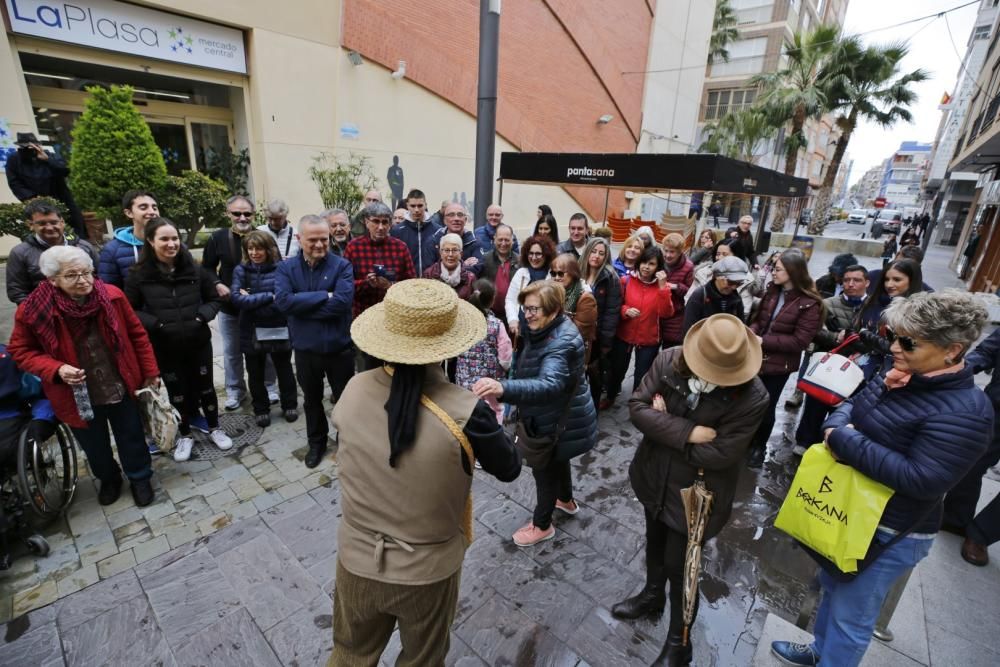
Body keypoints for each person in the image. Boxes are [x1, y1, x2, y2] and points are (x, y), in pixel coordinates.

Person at [772, 291, 994, 667]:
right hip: (849, 511)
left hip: (891, 529)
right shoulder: (899, 375)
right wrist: (842, 430)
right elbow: (845, 409)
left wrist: (846, 440)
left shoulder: (968, 411)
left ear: (952, 350)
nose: (894, 346)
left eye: (908, 341)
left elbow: (922, 478)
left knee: (851, 618)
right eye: (894, 334)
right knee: (830, 588)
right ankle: (818, 651)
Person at [330, 279, 520, 665]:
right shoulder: (468, 413)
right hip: (427, 572)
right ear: (448, 344)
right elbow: (509, 468)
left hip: (356, 559)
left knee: (349, 654)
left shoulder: (352, 389)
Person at [619, 314, 768, 664]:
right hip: (654, 475)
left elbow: (721, 453)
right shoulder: (670, 359)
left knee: (681, 565)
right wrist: (687, 431)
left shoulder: (753, 396)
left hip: (697, 494)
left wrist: (664, 424)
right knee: (654, 545)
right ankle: (651, 596)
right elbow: (638, 408)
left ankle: (679, 642)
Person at [9, 246, 161, 506]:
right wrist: (55, 368)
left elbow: (137, 335)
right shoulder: (33, 310)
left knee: (131, 434)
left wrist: (150, 372)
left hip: (118, 381)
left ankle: (139, 477)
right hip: (75, 391)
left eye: (87, 273)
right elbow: (20, 350)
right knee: (93, 444)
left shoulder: (111, 296)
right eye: (72, 275)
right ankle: (109, 478)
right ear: (52, 279)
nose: (83, 280)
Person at [473, 281, 597, 547]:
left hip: (555, 417)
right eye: (525, 308)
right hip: (559, 418)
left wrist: (502, 387)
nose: (527, 314)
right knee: (557, 457)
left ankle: (542, 525)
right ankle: (566, 500)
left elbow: (549, 383)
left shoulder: (561, 342)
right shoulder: (544, 327)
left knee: (544, 469)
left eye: (533, 309)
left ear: (553, 311)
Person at [124, 217, 232, 462]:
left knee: (206, 388)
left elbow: (214, 299)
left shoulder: (194, 269)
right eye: (164, 239)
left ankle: (215, 427)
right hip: (165, 346)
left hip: (198, 342)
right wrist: (157, 324)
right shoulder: (138, 275)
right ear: (151, 241)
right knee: (177, 392)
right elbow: (130, 310)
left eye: (174, 238)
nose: (171, 244)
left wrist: (200, 318)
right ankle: (184, 434)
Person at [275, 215, 355, 468]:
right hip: (306, 350)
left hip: (339, 348)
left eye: (324, 239)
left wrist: (303, 304)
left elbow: (341, 304)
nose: (320, 245)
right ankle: (316, 443)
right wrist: (324, 295)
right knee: (311, 400)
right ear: (299, 239)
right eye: (313, 240)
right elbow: (284, 303)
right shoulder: (286, 268)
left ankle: (348, 444)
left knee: (345, 400)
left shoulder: (341, 266)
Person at [746, 249, 823, 468]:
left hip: (779, 365)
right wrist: (752, 332)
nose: (773, 273)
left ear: (792, 271)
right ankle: (744, 441)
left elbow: (800, 341)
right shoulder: (772, 291)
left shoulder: (809, 303)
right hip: (755, 356)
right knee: (746, 402)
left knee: (766, 407)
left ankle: (758, 448)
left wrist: (763, 341)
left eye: (777, 269)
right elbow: (760, 320)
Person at [791, 264, 870, 456]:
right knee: (815, 406)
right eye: (846, 280)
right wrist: (836, 337)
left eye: (856, 280)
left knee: (844, 410)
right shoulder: (828, 304)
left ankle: (833, 444)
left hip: (855, 371)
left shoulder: (872, 308)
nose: (851, 284)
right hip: (827, 367)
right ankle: (805, 442)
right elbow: (813, 332)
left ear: (867, 283)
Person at [230, 231, 299, 428]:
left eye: (258, 248)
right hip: (251, 329)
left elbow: (284, 300)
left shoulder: (282, 269)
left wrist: (252, 297)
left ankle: (290, 405)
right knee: (255, 371)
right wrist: (269, 296)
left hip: (279, 324)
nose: (254, 252)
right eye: (250, 248)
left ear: (269, 249)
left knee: (284, 368)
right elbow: (236, 299)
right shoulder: (240, 271)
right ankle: (261, 409)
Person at [943, 326, 1000, 556]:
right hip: (997, 408)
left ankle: (981, 534)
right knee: (973, 461)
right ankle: (955, 517)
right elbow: (987, 352)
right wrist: (958, 369)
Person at [202, 195, 258, 411]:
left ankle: (269, 386)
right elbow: (206, 267)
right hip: (229, 306)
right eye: (237, 213)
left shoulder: (261, 236)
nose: (242, 217)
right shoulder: (217, 238)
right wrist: (217, 283)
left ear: (253, 214)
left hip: (257, 305)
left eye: (247, 213)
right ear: (228, 214)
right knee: (232, 351)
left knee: (264, 349)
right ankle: (235, 390)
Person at [605, 246, 674, 407]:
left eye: (651, 264)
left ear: (658, 267)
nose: (646, 267)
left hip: (649, 338)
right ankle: (610, 396)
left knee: (642, 375)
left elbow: (666, 313)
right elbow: (616, 305)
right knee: (616, 370)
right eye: (643, 262)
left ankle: (637, 405)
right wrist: (625, 311)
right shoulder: (626, 280)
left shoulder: (662, 286)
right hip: (624, 334)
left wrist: (663, 288)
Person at [6, 198, 98, 304]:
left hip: (87, 309)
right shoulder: (20, 253)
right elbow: (16, 292)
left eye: (54, 222)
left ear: (62, 222)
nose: (49, 227)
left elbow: (100, 278)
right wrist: (42, 310)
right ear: (31, 225)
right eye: (42, 223)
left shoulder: (83, 247)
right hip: (43, 314)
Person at [345, 201, 416, 325]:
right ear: (367, 222)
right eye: (376, 221)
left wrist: (390, 285)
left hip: (394, 314)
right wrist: (366, 283)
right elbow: (345, 285)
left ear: (390, 224)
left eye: (385, 222)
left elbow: (412, 284)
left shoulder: (400, 247)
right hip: (362, 315)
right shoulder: (354, 247)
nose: (381, 227)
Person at [855, 258, 924, 381]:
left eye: (897, 279)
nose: (889, 284)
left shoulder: (919, 313)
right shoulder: (873, 300)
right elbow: (857, 328)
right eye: (886, 279)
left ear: (912, 281)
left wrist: (866, 336)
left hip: (892, 375)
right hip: (861, 368)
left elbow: (907, 349)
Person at [5, 133, 85, 238]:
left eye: (33, 146)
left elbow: (64, 171)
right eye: (26, 146)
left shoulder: (49, 155)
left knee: (73, 229)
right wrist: (33, 199)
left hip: (61, 199)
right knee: (45, 230)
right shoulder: (14, 159)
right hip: (35, 202)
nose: (30, 149)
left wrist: (47, 160)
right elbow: (15, 183)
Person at [455, 280, 513, 423]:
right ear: (492, 300)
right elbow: (505, 359)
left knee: (466, 415)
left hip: (464, 383)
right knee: (492, 415)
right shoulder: (497, 325)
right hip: (489, 384)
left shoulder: (461, 323)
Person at [580, 238, 623, 408]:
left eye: (601, 253)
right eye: (593, 251)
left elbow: (612, 312)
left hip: (597, 338)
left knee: (595, 377)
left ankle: (593, 410)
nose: (596, 256)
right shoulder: (578, 272)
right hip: (577, 333)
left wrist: (605, 342)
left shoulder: (610, 277)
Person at [98, 190, 160, 288]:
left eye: (154, 208)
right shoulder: (112, 250)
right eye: (143, 207)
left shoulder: (172, 242)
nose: (152, 212)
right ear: (129, 213)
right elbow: (109, 291)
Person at [505, 235, 555, 339]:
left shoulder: (553, 275)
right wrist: (512, 319)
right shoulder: (521, 273)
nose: (533, 257)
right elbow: (510, 300)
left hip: (545, 332)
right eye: (531, 253)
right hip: (521, 332)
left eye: (538, 254)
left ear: (546, 255)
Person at [549, 253, 598, 363]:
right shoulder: (551, 293)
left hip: (572, 354)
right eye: (553, 273)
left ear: (572, 274)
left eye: (561, 274)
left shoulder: (585, 298)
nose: (556, 277)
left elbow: (578, 333)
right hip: (551, 350)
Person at [682, 256, 748, 333]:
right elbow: (689, 331)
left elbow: (741, 329)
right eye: (731, 282)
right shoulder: (699, 296)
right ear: (717, 276)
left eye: (739, 284)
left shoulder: (737, 299)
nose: (734, 287)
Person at [389, 188, 441, 276]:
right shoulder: (396, 231)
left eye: (420, 205)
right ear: (407, 206)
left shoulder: (437, 230)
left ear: (425, 205)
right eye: (413, 206)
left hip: (432, 282)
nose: (416, 210)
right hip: (406, 283)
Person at [659, 233, 694, 349]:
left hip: (675, 317)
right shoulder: (659, 262)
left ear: (680, 252)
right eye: (666, 251)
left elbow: (690, 292)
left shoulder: (688, 267)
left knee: (669, 353)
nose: (668, 255)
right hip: (656, 315)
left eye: (672, 252)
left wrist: (675, 287)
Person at [430, 203, 485, 275]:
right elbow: (431, 270)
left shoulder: (475, 242)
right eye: (451, 215)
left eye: (460, 215)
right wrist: (463, 265)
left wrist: (447, 268)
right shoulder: (434, 241)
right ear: (444, 220)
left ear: (465, 220)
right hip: (439, 285)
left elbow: (477, 269)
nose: (456, 219)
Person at [481, 224, 520, 322]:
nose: (503, 243)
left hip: (514, 316)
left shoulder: (520, 261)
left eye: (507, 240)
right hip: (489, 316)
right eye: (500, 239)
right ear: (494, 239)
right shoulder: (484, 260)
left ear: (512, 240)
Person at [423, 233, 476, 299]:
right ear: (440, 252)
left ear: (461, 253)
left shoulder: (470, 278)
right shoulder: (429, 274)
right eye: (447, 250)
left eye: (454, 250)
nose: (450, 254)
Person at [867, 245, 933, 294]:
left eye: (906, 268)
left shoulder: (926, 294)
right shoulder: (872, 277)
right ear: (896, 257)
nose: (889, 285)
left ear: (918, 268)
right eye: (897, 263)